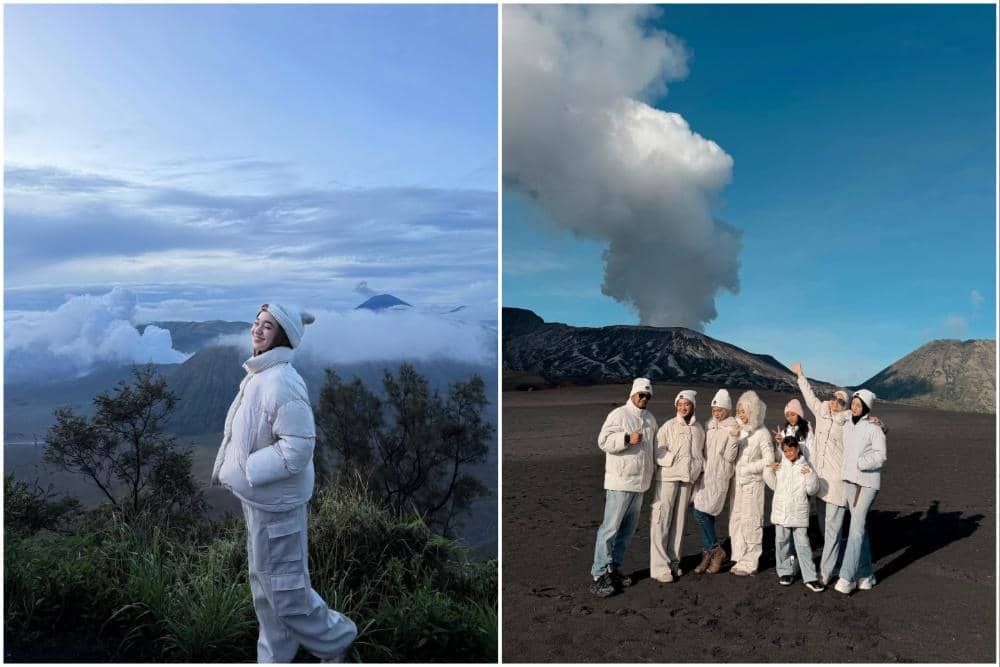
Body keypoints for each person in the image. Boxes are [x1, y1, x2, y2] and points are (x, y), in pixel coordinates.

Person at [211, 303, 357, 662]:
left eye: (268, 327)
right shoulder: (260, 374)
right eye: (257, 323)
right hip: (262, 502)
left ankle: (338, 642)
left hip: (277, 505)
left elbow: (298, 448)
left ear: (284, 336)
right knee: (265, 590)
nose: (257, 330)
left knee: (287, 592)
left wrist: (249, 469)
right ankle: (275, 657)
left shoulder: (282, 381)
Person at [792, 362, 887, 586]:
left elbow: (867, 427)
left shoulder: (847, 421)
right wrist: (800, 375)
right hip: (820, 482)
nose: (836, 402)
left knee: (834, 531)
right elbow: (809, 397)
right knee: (826, 531)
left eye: (841, 401)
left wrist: (881, 425)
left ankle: (826, 573)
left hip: (836, 483)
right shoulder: (821, 413)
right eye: (835, 398)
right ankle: (843, 565)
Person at [590, 378, 658, 597]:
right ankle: (599, 574)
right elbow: (603, 441)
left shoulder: (650, 419)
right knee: (609, 529)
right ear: (632, 394)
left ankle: (614, 568)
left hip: (639, 484)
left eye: (647, 395)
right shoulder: (619, 415)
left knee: (627, 531)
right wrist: (627, 438)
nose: (644, 398)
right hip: (620, 482)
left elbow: (653, 450)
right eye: (641, 394)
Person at [835, 389, 886, 595]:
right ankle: (866, 575)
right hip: (849, 482)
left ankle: (847, 577)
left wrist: (861, 464)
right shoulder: (847, 425)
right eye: (853, 404)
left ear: (865, 407)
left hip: (865, 484)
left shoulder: (874, 429)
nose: (854, 408)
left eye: (858, 405)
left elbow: (881, 455)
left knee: (855, 530)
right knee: (860, 527)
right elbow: (837, 417)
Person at [650, 390, 705, 582]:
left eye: (687, 404)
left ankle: (674, 562)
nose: (683, 408)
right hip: (667, 478)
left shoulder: (699, 429)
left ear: (693, 406)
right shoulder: (669, 426)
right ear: (676, 406)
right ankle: (659, 568)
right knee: (662, 520)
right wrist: (671, 460)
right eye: (680, 405)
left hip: (687, 479)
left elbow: (701, 453)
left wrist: (699, 470)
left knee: (679, 522)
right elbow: (658, 450)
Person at [764, 436, 825, 592]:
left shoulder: (805, 466)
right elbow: (773, 486)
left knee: (803, 544)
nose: (788, 453)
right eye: (785, 451)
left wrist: (810, 475)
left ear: (797, 449)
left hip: (798, 512)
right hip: (781, 512)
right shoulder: (780, 466)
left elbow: (812, 490)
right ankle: (786, 571)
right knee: (781, 543)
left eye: (791, 450)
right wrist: (768, 470)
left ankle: (810, 577)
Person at [691, 389, 739, 575]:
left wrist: (734, 438)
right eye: (714, 410)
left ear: (727, 410)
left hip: (719, 478)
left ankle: (716, 550)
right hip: (705, 477)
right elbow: (704, 453)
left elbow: (729, 457)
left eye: (720, 410)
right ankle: (709, 554)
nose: (717, 413)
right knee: (705, 514)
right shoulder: (710, 428)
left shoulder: (731, 429)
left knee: (700, 513)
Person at [727, 390, 775, 576]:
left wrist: (749, 468)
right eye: (739, 410)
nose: (741, 414)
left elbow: (769, 459)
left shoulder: (762, 433)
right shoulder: (737, 430)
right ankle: (739, 556)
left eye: (744, 410)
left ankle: (751, 561)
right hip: (737, 484)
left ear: (752, 411)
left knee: (752, 521)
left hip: (753, 484)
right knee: (737, 519)